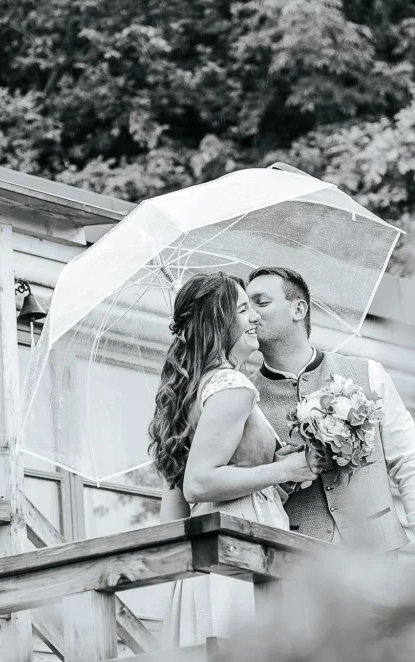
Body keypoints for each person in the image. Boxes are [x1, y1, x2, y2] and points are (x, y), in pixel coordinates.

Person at [147, 272, 318, 648]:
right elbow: (199, 483)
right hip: (242, 544)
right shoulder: (234, 387)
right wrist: (284, 468)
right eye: (243, 310)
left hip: (205, 550)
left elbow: (172, 513)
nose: (255, 317)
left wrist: (276, 469)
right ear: (219, 324)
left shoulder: (190, 390)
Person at [246, 266, 415, 558]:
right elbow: (251, 496)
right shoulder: (246, 398)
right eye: (245, 305)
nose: (250, 315)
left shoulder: (368, 373)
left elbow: (411, 460)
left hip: (378, 561)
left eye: (261, 303)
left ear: (298, 309)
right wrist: (283, 476)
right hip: (295, 567)